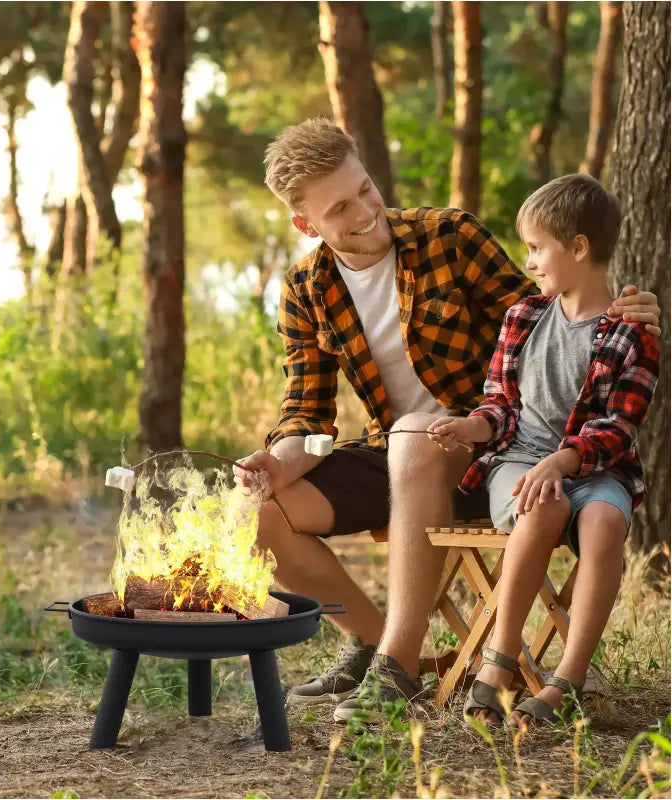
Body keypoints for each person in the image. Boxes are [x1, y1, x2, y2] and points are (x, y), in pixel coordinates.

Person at [232, 118, 661, 723]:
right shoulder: (306, 288)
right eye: (339, 208)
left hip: (491, 449)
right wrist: (276, 463)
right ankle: (373, 642)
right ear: (306, 224)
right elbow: (307, 410)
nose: (364, 211)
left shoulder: (448, 237)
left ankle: (396, 671)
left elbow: (550, 311)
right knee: (258, 510)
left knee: (412, 437)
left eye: (365, 189)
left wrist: (623, 307)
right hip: (398, 454)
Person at [427, 173, 660, 727]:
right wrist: (471, 429)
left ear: (578, 248)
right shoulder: (524, 318)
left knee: (604, 522)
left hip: (597, 469)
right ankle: (498, 662)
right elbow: (500, 405)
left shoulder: (631, 334)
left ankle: (568, 679)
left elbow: (619, 427)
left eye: (536, 248)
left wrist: (565, 460)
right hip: (521, 462)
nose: (529, 261)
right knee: (544, 502)